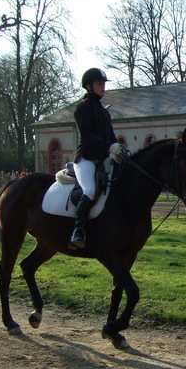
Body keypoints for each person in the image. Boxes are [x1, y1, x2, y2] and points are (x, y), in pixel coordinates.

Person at [69, 68, 122, 250]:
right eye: (99, 84)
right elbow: (87, 136)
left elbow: (111, 137)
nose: (103, 87)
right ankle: (78, 230)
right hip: (86, 159)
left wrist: (119, 149)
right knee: (90, 190)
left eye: (104, 84)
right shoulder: (82, 108)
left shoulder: (104, 112)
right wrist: (109, 147)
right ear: (89, 86)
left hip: (104, 158)